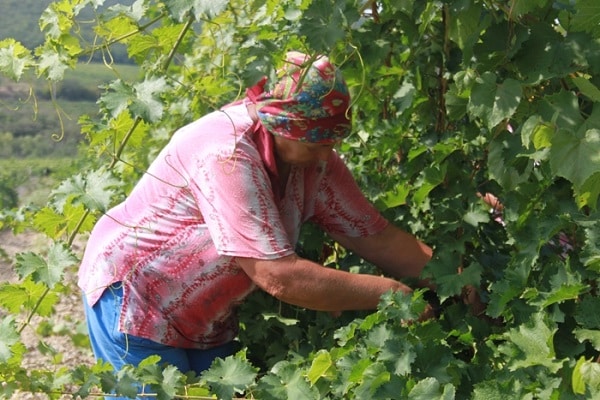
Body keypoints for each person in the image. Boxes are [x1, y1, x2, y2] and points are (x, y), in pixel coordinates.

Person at [78, 52, 435, 383]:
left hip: (205, 318)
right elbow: (277, 275)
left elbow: (377, 237)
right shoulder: (226, 153)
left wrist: (453, 279)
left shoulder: (314, 158)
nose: (327, 154)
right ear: (280, 126)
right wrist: (391, 293)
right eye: (315, 143)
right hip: (135, 300)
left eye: (331, 141)